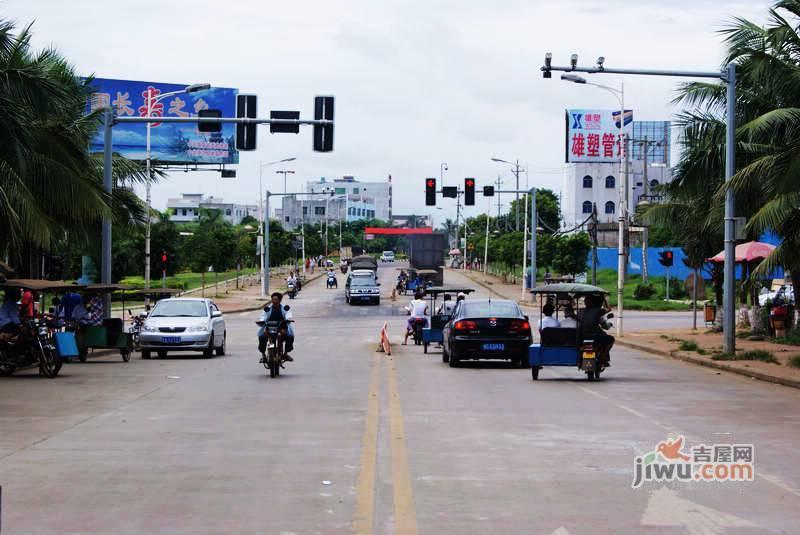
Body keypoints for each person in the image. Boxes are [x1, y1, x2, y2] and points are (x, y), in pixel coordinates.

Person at [258, 292, 295, 362]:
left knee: (290, 337)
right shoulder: (268, 309)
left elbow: (288, 315)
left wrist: (288, 319)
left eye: (276, 299)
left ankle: (285, 354)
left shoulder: (285, 308)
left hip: (282, 327)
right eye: (273, 299)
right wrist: (261, 321)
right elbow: (263, 316)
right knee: (261, 337)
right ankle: (263, 355)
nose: (274, 301)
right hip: (269, 327)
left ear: (280, 300)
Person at [578, 295, 614, 364]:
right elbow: (609, 309)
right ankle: (602, 357)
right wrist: (604, 299)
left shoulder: (581, 311)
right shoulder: (598, 311)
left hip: (581, 336)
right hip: (594, 337)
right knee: (611, 339)